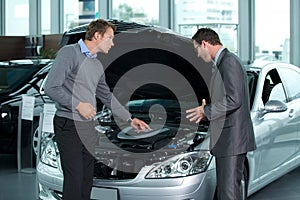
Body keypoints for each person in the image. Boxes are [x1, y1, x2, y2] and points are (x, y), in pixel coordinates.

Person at [44, 19, 151, 200]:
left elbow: (106, 96)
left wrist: (129, 119)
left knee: (86, 180)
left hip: (87, 127)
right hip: (68, 125)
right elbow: (51, 87)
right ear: (97, 36)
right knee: (75, 179)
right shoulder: (69, 53)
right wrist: (78, 105)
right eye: (109, 38)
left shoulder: (96, 64)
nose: (113, 42)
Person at [186, 28, 256, 200]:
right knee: (229, 191)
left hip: (232, 140)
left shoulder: (229, 62)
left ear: (204, 44)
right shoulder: (223, 62)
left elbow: (234, 100)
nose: (197, 54)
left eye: (197, 49)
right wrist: (207, 108)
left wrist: (206, 111)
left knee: (228, 193)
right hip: (229, 140)